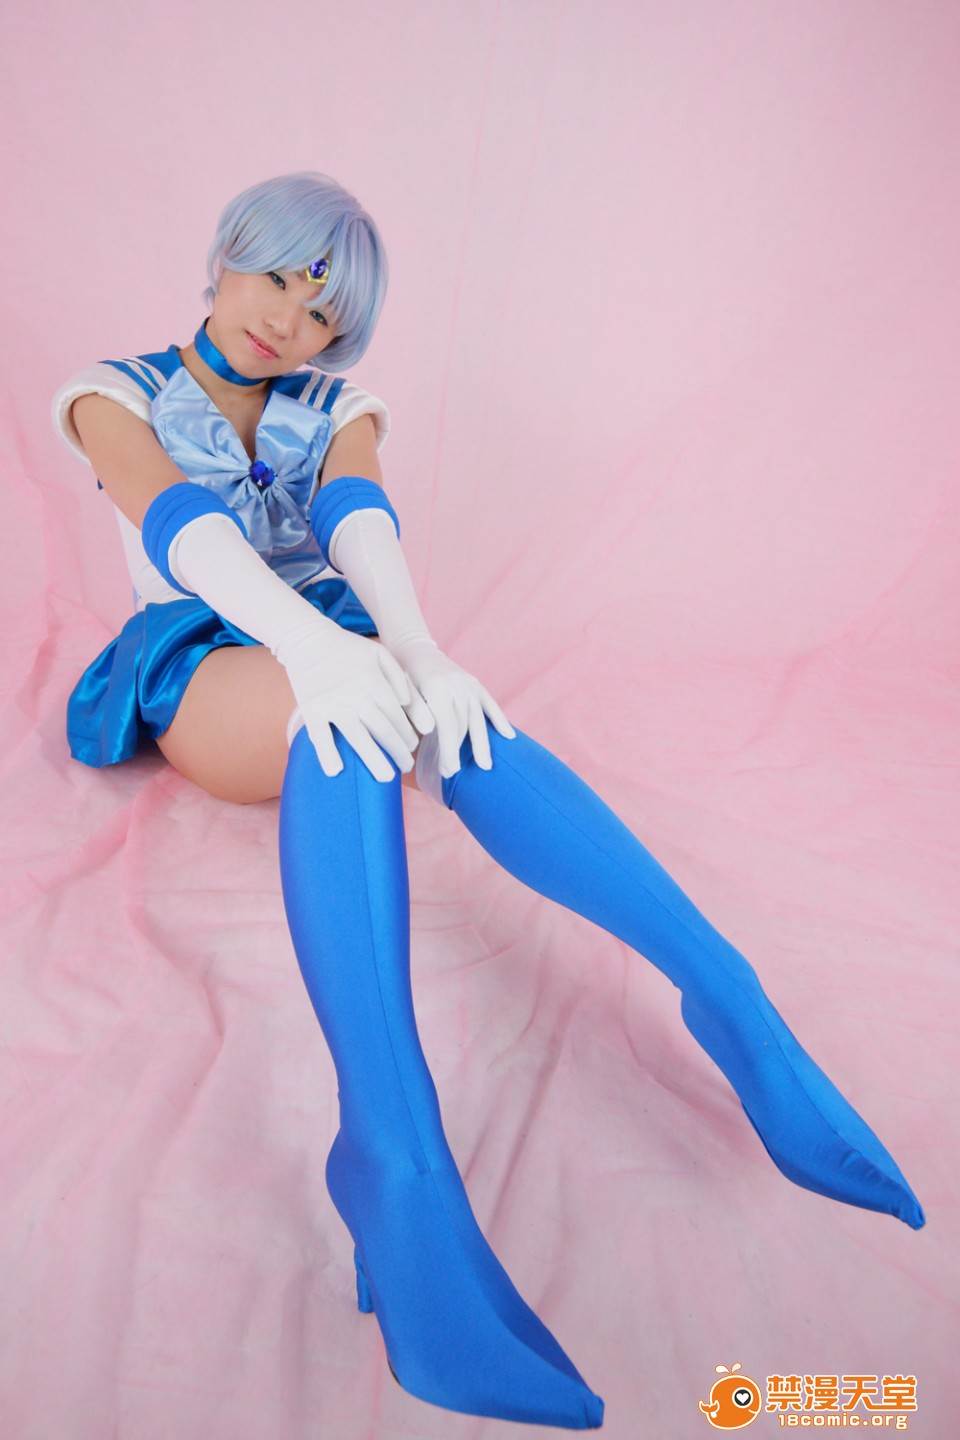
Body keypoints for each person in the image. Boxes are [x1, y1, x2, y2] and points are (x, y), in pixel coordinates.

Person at [50, 171, 925, 1430]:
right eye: (276, 278)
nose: (288, 322)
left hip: (345, 639)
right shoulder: (114, 391)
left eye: (322, 311)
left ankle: (731, 1004)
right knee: (344, 729)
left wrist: (419, 650)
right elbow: (179, 521)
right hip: (207, 658)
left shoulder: (335, 408)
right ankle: (398, 1160)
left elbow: (355, 512)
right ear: (227, 254)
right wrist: (324, 655)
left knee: (463, 725)